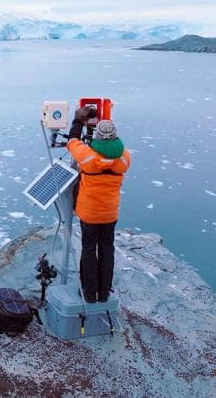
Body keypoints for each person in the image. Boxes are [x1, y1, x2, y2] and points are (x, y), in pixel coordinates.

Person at [67, 108, 131, 303]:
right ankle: (104, 293)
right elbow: (116, 152)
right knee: (106, 249)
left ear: (97, 137)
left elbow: (72, 141)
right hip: (110, 213)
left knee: (88, 250)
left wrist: (79, 120)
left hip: (89, 214)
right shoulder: (124, 158)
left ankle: (89, 293)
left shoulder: (87, 157)